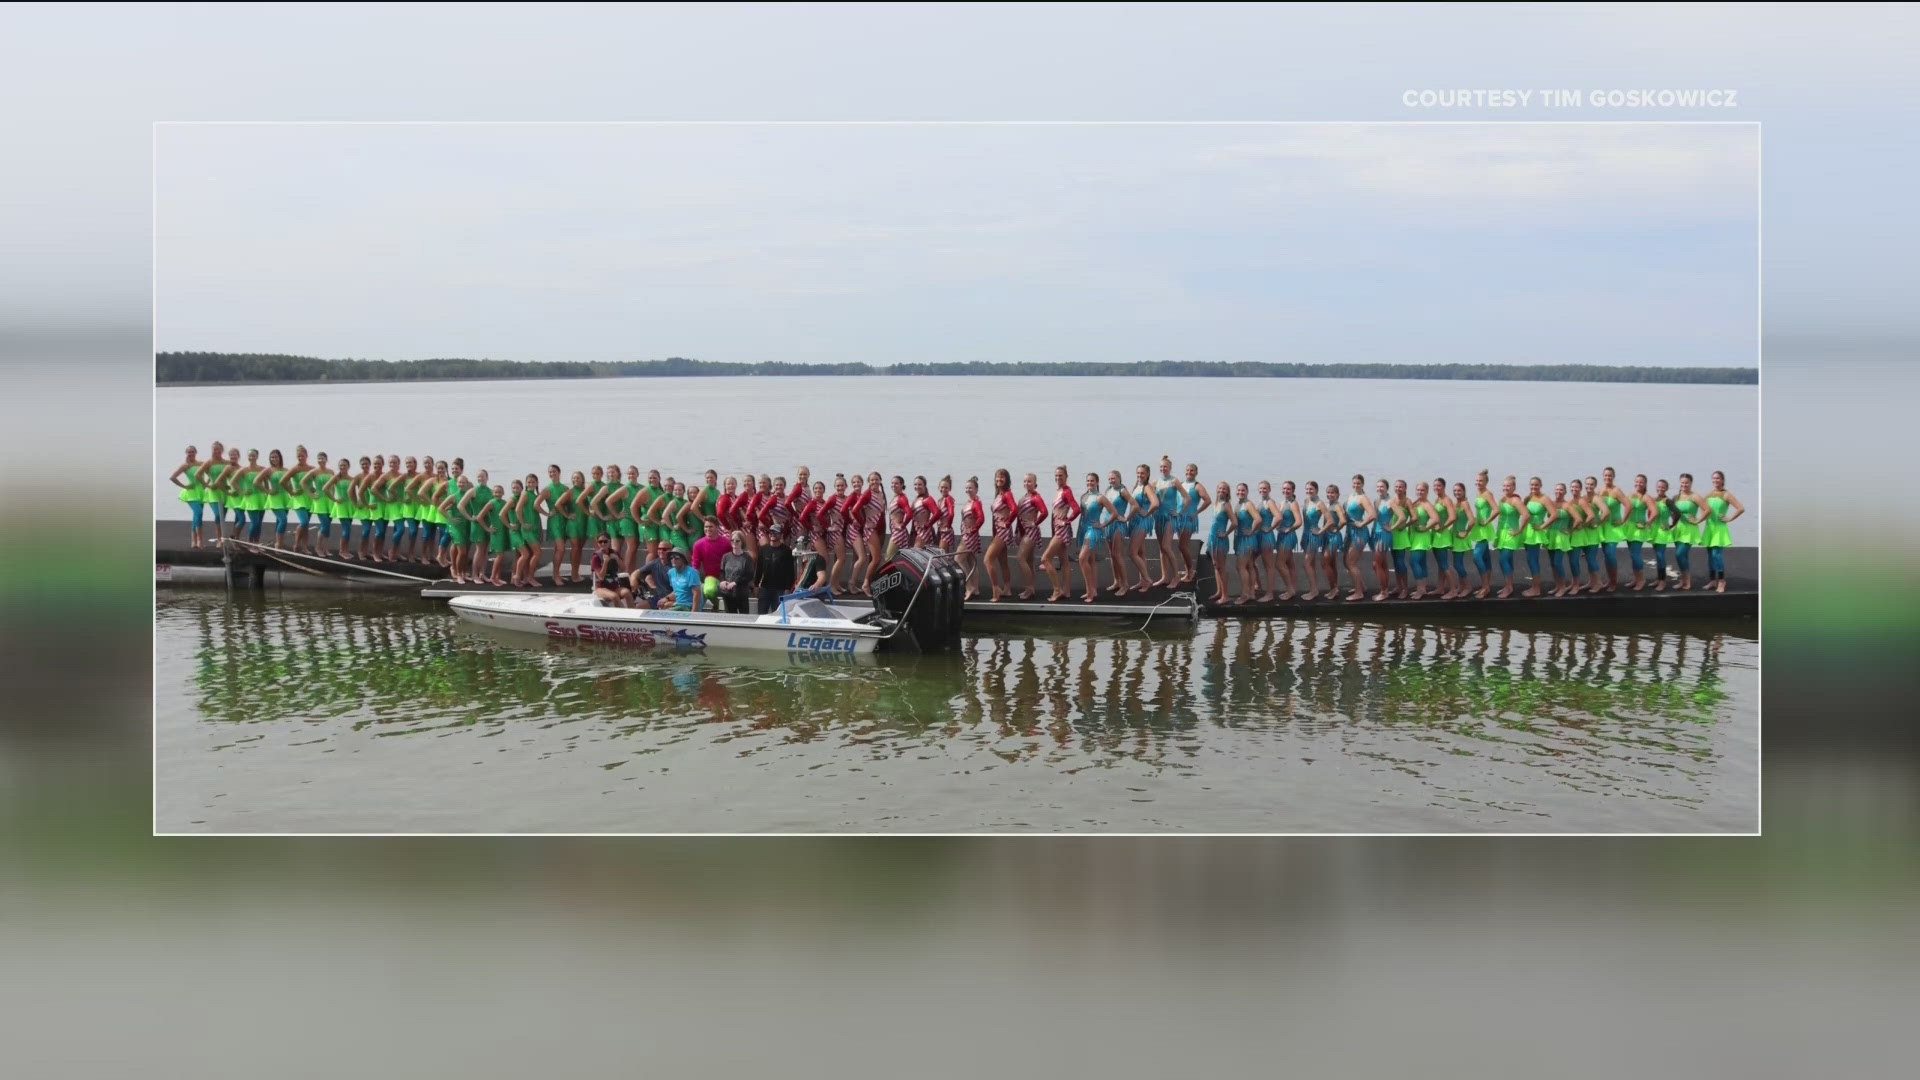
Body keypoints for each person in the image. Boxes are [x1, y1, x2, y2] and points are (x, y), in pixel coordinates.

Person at [1699, 470, 1744, 593]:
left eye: (1718, 478)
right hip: (1709, 527)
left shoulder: (1726, 495)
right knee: (1709, 556)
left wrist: (1729, 518)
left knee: (1716, 555)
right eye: (1713, 478)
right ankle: (1712, 581)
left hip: (1719, 528)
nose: (1715, 480)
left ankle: (1722, 581)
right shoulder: (1710, 494)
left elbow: (1741, 508)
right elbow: (1701, 506)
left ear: (1723, 480)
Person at [169, 446, 208, 548]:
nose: (190, 454)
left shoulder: (201, 464)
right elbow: (172, 477)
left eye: (192, 452)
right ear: (186, 453)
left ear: (196, 452)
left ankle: (193, 540)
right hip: (191, 493)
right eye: (189, 452)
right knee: (198, 513)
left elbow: (211, 474)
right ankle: (199, 539)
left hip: (201, 493)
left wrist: (206, 484)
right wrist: (184, 486)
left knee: (197, 515)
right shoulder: (185, 466)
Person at [755, 523, 797, 612]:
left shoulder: (787, 551)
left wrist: (787, 588)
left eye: (775, 533)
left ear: (781, 535)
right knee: (761, 613)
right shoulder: (763, 549)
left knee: (777, 613)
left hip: (780, 589)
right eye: (771, 532)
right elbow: (759, 569)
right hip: (765, 587)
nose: (773, 535)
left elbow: (790, 572)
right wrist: (756, 585)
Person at [717, 530, 757, 614]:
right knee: (730, 617)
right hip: (727, 593)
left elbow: (749, 575)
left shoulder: (747, 558)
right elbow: (722, 571)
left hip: (741, 593)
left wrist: (735, 582)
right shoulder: (726, 557)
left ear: (742, 542)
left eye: (737, 540)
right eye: (732, 540)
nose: (734, 542)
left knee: (744, 617)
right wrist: (723, 581)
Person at [958, 476, 985, 599]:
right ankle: (976, 588)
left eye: (971, 488)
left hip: (969, 536)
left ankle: (969, 587)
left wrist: (973, 530)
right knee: (971, 561)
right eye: (967, 487)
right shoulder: (969, 503)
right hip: (968, 534)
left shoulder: (976, 503)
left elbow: (981, 518)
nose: (968, 490)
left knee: (958, 559)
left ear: (976, 489)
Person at [630, 540, 675, 609]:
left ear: (671, 551)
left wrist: (667, 599)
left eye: (664, 549)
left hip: (672, 599)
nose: (661, 551)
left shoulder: (675, 566)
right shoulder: (655, 563)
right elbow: (636, 572)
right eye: (659, 549)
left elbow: (680, 590)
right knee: (638, 607)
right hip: (659, 598)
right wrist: (633, 579)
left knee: (666, 606)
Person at [589, 535, 630, 607]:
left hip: (615, 586)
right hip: (601, 588)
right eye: (600, 542)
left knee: (627, 592)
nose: (603, 544)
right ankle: (620, 614)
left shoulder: (615, 553)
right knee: (614, 596)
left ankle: (632, 612)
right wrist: (605, 562)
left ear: (609, 541)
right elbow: (601, 577)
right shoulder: (596, 557)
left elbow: (624, 569)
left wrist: (617, 559)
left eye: (605, 541)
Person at [691, 517, 731, 585]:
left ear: (717, 527)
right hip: (710, 579)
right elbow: (695, 565)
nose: (708, 529)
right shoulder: (698, 544)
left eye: (710, 527)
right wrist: (697, 582)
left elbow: (732, 562)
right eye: (706, 527)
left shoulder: (726, 543)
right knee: (710, 590)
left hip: (726, 577)